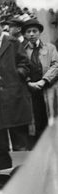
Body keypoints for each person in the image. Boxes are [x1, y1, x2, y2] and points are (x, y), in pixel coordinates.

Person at [0, 14, 32, 152]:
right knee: (1, 135)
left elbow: (24, 63)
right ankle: (4, 164)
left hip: (15, 92)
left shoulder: (13, 42)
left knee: (18, 135)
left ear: (2, 26)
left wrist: (18, 74)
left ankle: (21, 165)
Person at [22, 18, 58, 148]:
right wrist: (28, 82)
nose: (31, 34)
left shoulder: (49, 48)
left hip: (47, 90)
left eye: (34, 31)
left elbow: (56, 65)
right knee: (33, 123)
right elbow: (19, 67)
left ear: (39, 33)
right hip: (30, 91)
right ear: (24, 34)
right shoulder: (22, 50)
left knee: (48, 119)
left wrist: (43, 81)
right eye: (28, 32)